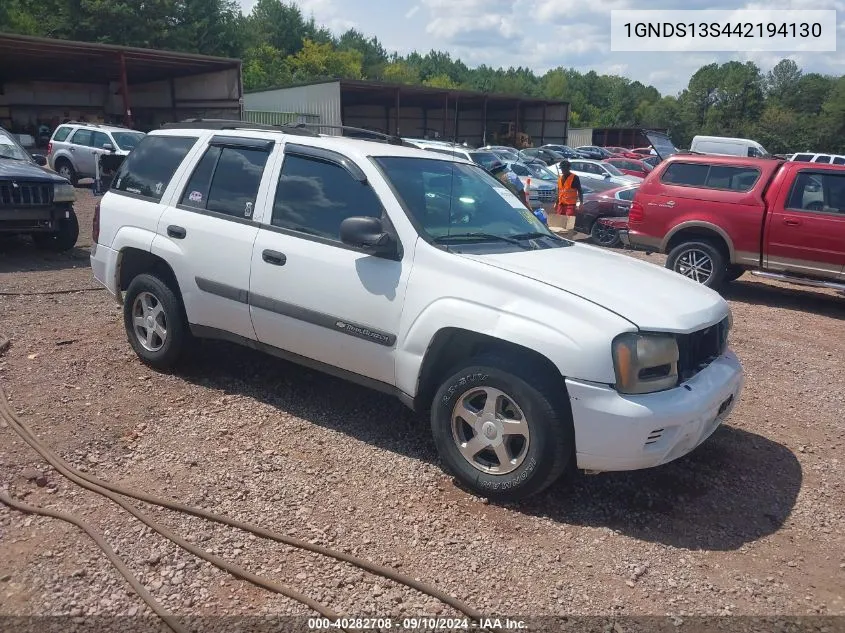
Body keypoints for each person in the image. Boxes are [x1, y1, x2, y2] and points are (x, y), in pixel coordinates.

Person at [556, 160, 583, 231]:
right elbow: (559, 192)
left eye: (564, 168)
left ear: (568, 168)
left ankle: (569, 236)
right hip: (561, 204)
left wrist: (581, 202)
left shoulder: (575, 178)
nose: (563, 170)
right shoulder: (560, 178)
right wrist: (556, 203)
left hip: (570, 205)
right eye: (562, 168)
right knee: (559, 222)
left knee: (569, 223)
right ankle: (561, 236)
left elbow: (580, 190)